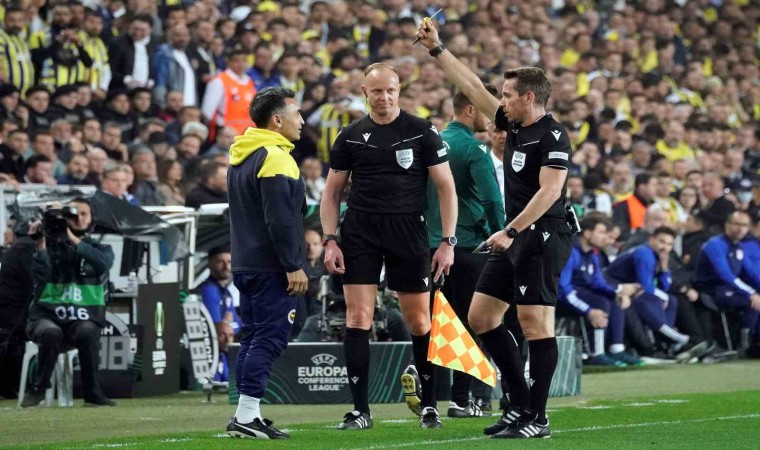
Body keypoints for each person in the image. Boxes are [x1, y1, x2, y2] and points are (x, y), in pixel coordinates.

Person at [417, 22, 573, 439]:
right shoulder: (515, 126)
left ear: (528, 97)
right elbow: (471, 85)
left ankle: (537, 417)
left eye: (506, 95)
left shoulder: (553, 135)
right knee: (482, 316)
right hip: (514, 235)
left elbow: (550, 192)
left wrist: (511, 231)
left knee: (535, 325)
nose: (499, 102)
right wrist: (437, 49)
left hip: (542, 236)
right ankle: (518, 403)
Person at [321, 63, 456, 430]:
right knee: (357, 318)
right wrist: (330, 240)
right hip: (360, 231)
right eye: (377, 91)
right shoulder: (350, 135)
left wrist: (447, 241)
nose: (384, 97)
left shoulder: (422, 130)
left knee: (419, 320)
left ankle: (430, 406)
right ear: (365, 92)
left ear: (399, 91)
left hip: (408, 230)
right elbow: (331, 193)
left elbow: (446, 187)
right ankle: (360, 411)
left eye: (391, 90)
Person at [225, 87, 307, 440]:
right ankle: (247, 416)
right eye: (296, 113)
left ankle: (246, 414)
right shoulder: (275, 157)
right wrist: (293, 263)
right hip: (272, 266)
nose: (302, 121)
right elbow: (280, 219)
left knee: (252, 337)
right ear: (277, 120)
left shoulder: (241, 154)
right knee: (270, 339)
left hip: (245, 261)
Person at [423, 87, 505, 419]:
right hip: (469, 245)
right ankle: (461, 399)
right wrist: (500, 234)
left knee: (434, 323)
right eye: (486, 109)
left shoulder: (432, 143)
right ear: (470, 110)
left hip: (429, 245)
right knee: (475, 322)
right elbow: (491, 200)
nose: (493, 117)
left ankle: (430, 401)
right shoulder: (474, 148)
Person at [21, 198, 115, 407]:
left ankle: (92, 393)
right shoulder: (48, 247)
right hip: (46, 316)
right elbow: (40, 276)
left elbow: (103, 265)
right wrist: (41, 243)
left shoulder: (101, 248)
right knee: (50, 332)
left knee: (88, 331)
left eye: (84, 214)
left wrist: (71, 238)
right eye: (73, 215)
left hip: (82, 317)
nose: (79, 219)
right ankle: (38, 390)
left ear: (91, 218)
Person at [605, 226, 713, 362]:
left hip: (632, 290)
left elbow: (665, 286)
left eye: (669, 244)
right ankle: (679, 340)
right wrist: (662, 296)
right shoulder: (644, 253)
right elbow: (645, 287)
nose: (665, 247)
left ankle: (669, 344)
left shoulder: (660, 257)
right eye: (661, 241)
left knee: (672, 300)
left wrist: (664, 268)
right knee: (651, 301)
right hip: (615, 289)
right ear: (651, 240)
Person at [558, 215, 642, 366]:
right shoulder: (570, 252)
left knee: (614, 299)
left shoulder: (593, 254)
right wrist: (589, 311)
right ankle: (596, 354)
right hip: (560, 299)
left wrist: (617, 293)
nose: (605, 237)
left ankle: (617, 349)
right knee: (600, 302)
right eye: (601, 232)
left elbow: (598, 283)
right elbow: (563, 289)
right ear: (587, 233)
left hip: (579, 295)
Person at [694, 211, 760, 350]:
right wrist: (751, 293)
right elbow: (725, 275)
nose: (740, 228)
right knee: (752, 302)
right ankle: (745, 346)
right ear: (727, 225)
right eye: (736, 224)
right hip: (711, 290)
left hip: (729, 288)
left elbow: (751, 273)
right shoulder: (715, 244)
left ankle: (755, 342)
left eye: (744, 225)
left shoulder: (739, 247)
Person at [199, 246, 241, 336]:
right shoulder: (208, 290)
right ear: (210, 264)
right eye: (220, 262)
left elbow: (237, 325)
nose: (226, 267)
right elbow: (218, 329)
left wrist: (228, 325)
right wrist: (226, 325)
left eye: (229, 262)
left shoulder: (226, 292)